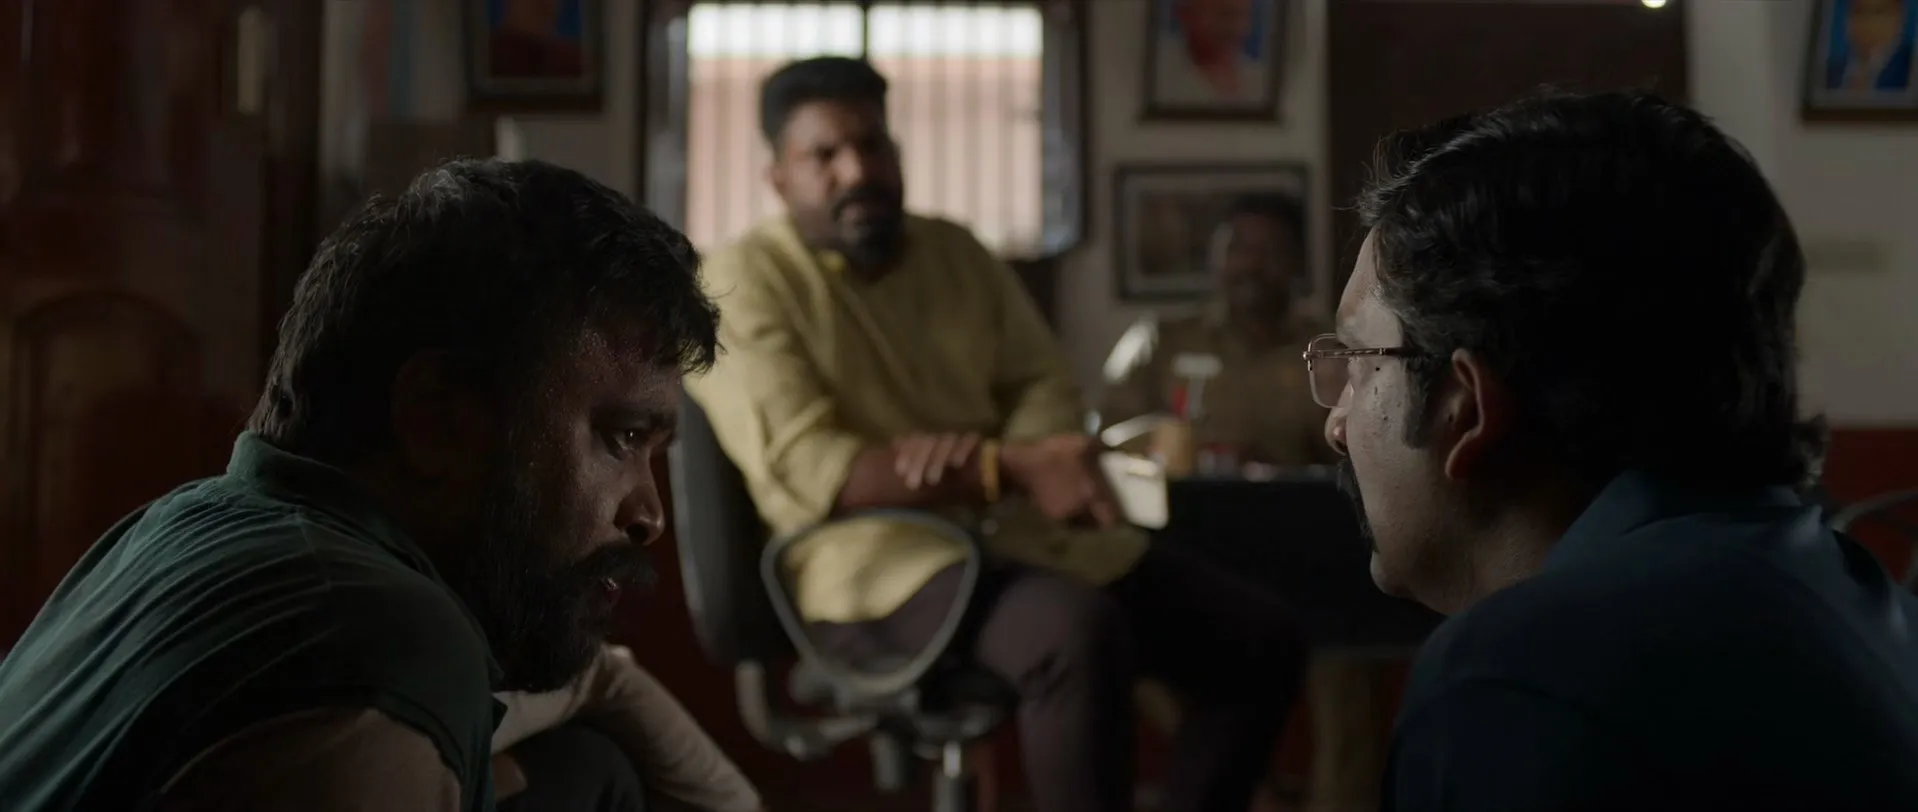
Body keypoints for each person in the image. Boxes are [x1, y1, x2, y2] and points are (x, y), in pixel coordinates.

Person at [0, 159, 740, 811]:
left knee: (585, 768)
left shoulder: (178, 522)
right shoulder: (384, 644)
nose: (648, 514)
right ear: (438, 417)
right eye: (623, 438)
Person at [687, 56, 1305, 812]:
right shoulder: (739, 285)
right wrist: (999, 466)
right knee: (1075, 635)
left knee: (1261, 639)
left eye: (873, 145)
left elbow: (1042, 381)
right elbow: (822, 471)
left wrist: (1020, 460)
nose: (858, 171)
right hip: (871, 573)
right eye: (825, 154)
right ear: (779, 177)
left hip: (1021, 540)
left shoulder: (955, 251)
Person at [1314, 90, 1918, 810]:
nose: (1336, 425)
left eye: (1357, 362)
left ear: (1464, 406)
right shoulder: (1864, 603)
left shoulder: (1524, 681)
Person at [1101, 195, 1384, 812]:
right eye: (1238, 248)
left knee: (1347, 657)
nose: (1252, 264)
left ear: (1296, 265)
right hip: (1185, 548)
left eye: (1270, 251)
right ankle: (1247, 785)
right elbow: (1107, 444)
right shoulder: (1158, 341)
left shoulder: (1328, 349)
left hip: (1301, 552)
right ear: (1214, 260)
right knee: (1123, 633)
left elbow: (1361, 446)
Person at [1154, 0, 1265, 104]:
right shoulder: (1158, 68)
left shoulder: (1259, 79)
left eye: (1242, 15)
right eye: (1224, 14)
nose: (1236, 28)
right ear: (1185, 14)